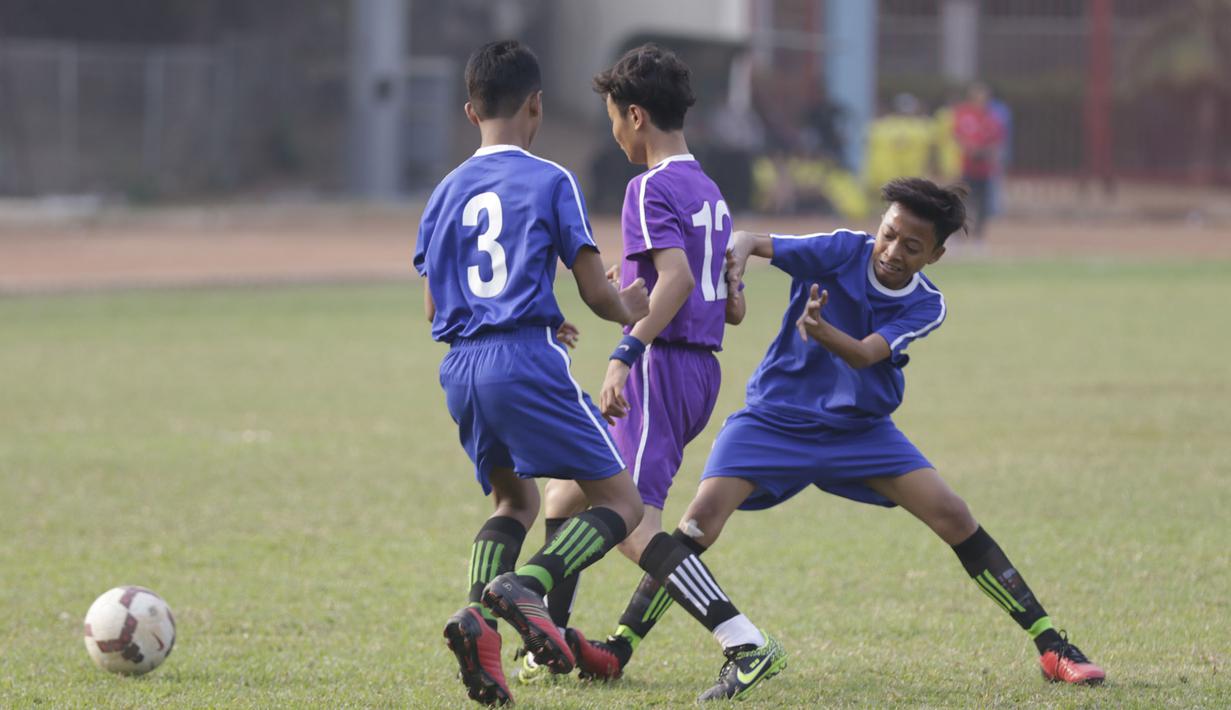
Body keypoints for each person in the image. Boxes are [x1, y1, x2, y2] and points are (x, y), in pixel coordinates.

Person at [575, 177, 1107, 687]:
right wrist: (734, 266)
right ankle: (619, 647)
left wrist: (820, 329)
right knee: (697, 524)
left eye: (913, 246)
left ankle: (1052, 645)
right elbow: (751, 239)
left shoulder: (927, 302)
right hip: (773, 420)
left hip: (861, 433)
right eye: (890, 233)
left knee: (954, 515)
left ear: (935, 256)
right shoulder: (842, 249)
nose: (894, 251)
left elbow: (866, 354)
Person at [517, 43, 787, 703]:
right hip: (695, 367)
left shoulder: (647, 186)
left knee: (630, 523)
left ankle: (743, 641)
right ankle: (550, 641)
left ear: (634, 115)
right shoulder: (707, 188)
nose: (611, 130)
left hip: (661, 368)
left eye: (612, 117)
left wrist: (623, 352)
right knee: (563, 496)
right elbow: (715, 293)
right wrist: (629, 286)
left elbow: (676, 278)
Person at [416, 40, 651, 706]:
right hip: (524, 361)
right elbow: (597, 293)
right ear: (536, 106)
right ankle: (530, 584)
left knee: (513, 502)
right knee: (622, 503)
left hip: (460, 367)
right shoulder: (551, 180)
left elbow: (435, 303)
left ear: (469, 112)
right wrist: (627, 306)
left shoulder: (443, 192)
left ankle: (478, 622)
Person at [953, 83, 1004, 239]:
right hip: (967, 166)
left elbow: (997, 141)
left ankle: (978, 236)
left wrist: (986, 152)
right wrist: (969, 148)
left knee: (982, 203)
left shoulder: (991, 117)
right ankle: (958, 234)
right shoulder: (964, 114)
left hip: (984, 167)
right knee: (962, 202)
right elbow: (958, 135)